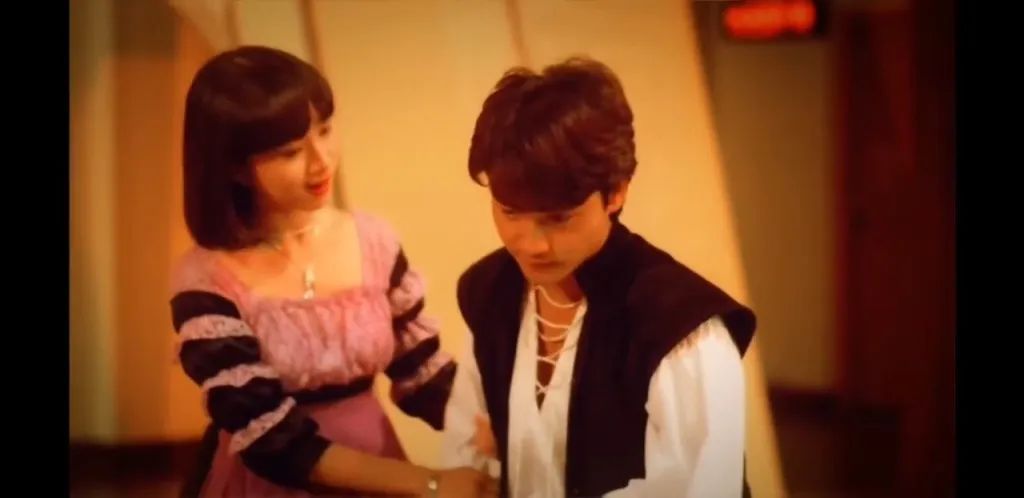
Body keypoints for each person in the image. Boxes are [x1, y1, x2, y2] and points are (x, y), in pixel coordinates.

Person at [169, 45, 495, 498]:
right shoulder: (208, 280)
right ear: (236, 168)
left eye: (324, 130)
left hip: (378, 463)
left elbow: (422, 374)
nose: (321, 161)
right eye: (290, 152)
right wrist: (431, 483)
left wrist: (505, 430)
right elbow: (271, 440)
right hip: (271, 483)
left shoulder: (373, 242)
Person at [440, 57, 757, 497]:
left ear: (616, 192)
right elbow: (466, 451)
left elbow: (702, 488)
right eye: (510, 212)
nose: (531, 244)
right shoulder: (491, 291)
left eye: (558, 218)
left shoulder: (677, 322)